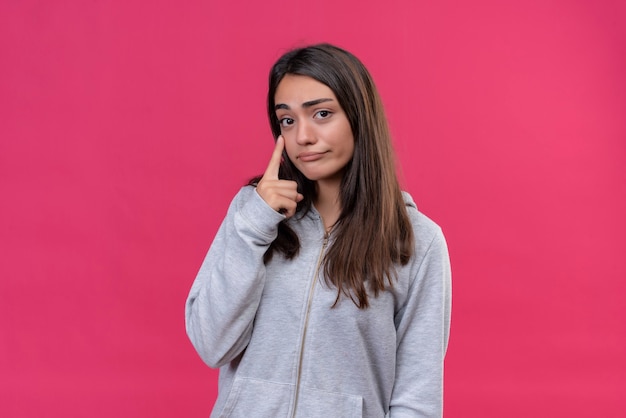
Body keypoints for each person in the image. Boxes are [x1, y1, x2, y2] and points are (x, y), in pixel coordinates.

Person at [185, 43, 452, 418]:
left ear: (359, 117)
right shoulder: (253, 215)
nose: (302, 137)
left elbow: (417, 398)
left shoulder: (416, 242)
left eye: (322, 114)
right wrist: (256, 225)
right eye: (287, 120)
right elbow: (212, 345)